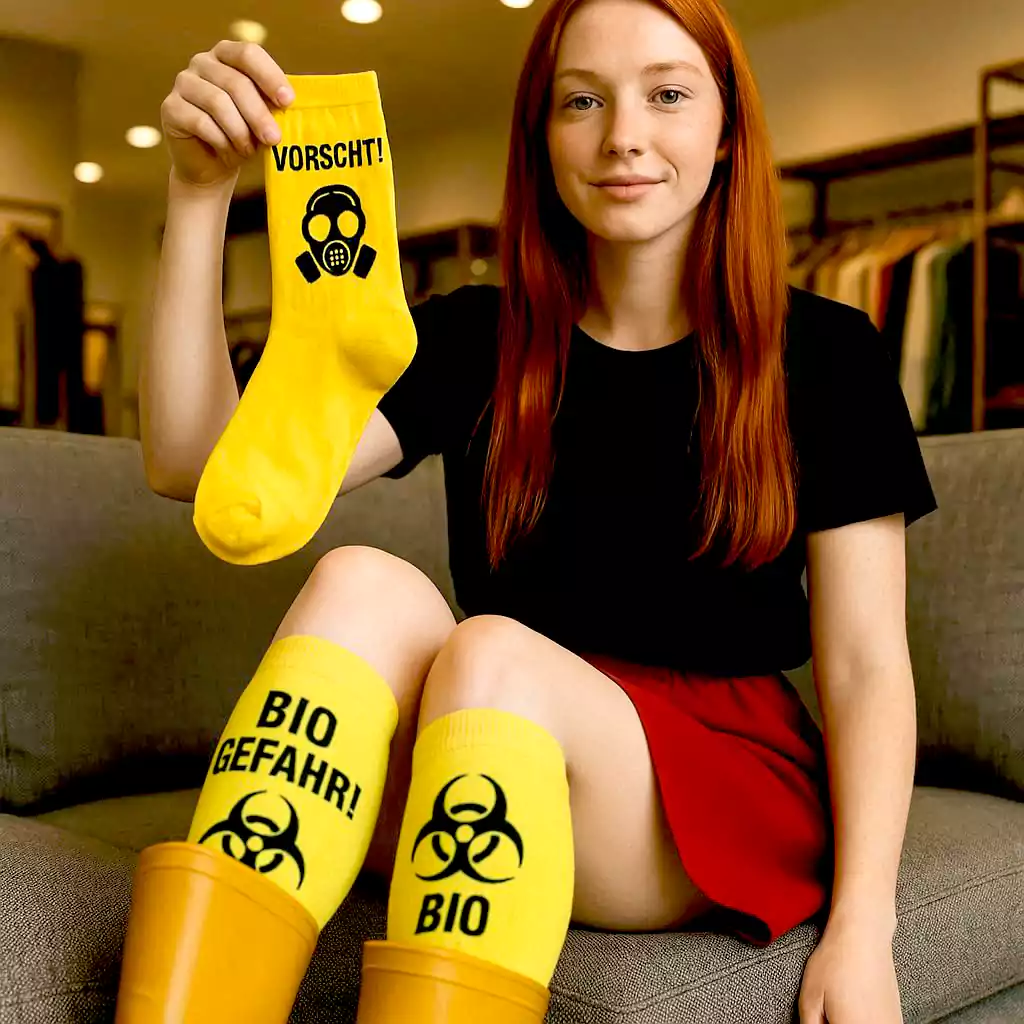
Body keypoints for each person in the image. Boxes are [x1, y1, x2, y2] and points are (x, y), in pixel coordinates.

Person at [127, 0, 936, 1022]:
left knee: (490, 651)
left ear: (727, 130)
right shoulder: (477, 339)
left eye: (668, 95)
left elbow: (865, 661)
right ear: (542, 139)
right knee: (359, 579)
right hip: (488, 731)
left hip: (712, 780)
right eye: (581, 101)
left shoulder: (828, 352)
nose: (622, 136)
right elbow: (207, 472)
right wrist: (198, 195)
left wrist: (865, 928)